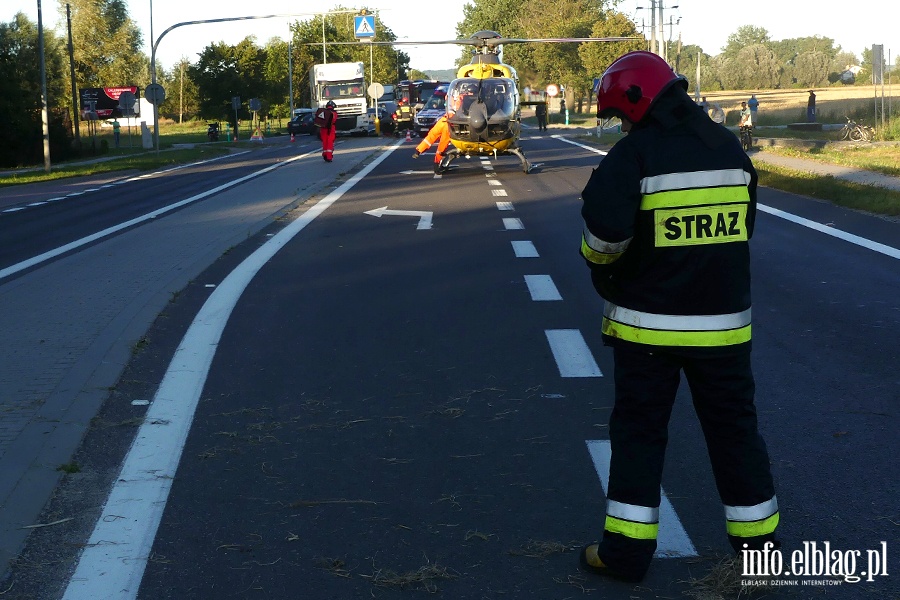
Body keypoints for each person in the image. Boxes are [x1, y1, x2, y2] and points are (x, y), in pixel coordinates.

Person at [577, 50, 779, 583]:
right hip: (725, 329)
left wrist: (606, 269)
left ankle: (624, 555)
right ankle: (761, 550)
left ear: (635, 102)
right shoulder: (728, 146)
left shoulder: (635, 155)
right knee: (736, 432)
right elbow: (745, 224)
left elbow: (604, 240)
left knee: (641, 435)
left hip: (647, 329)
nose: (621, 124)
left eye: (620, 114)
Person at [413, 109, 454, 177]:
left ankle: (418, 150)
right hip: (451, 123)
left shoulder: (451, 98)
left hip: (443, 120)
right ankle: (437, 165)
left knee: (431, 136)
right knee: (442, 146)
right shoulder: (462, 99)